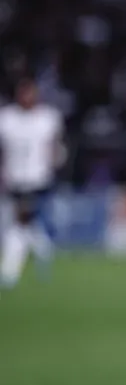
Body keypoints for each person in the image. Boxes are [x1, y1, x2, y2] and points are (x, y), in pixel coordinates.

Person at [0, 77, 63, 288]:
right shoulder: (6, 118)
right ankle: (43, 250)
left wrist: (53, 165)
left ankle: (9, 272)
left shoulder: (48, 118)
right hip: (14, 178)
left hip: (38, 178)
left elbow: (54, 147)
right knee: (28, 223)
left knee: (20, 222)